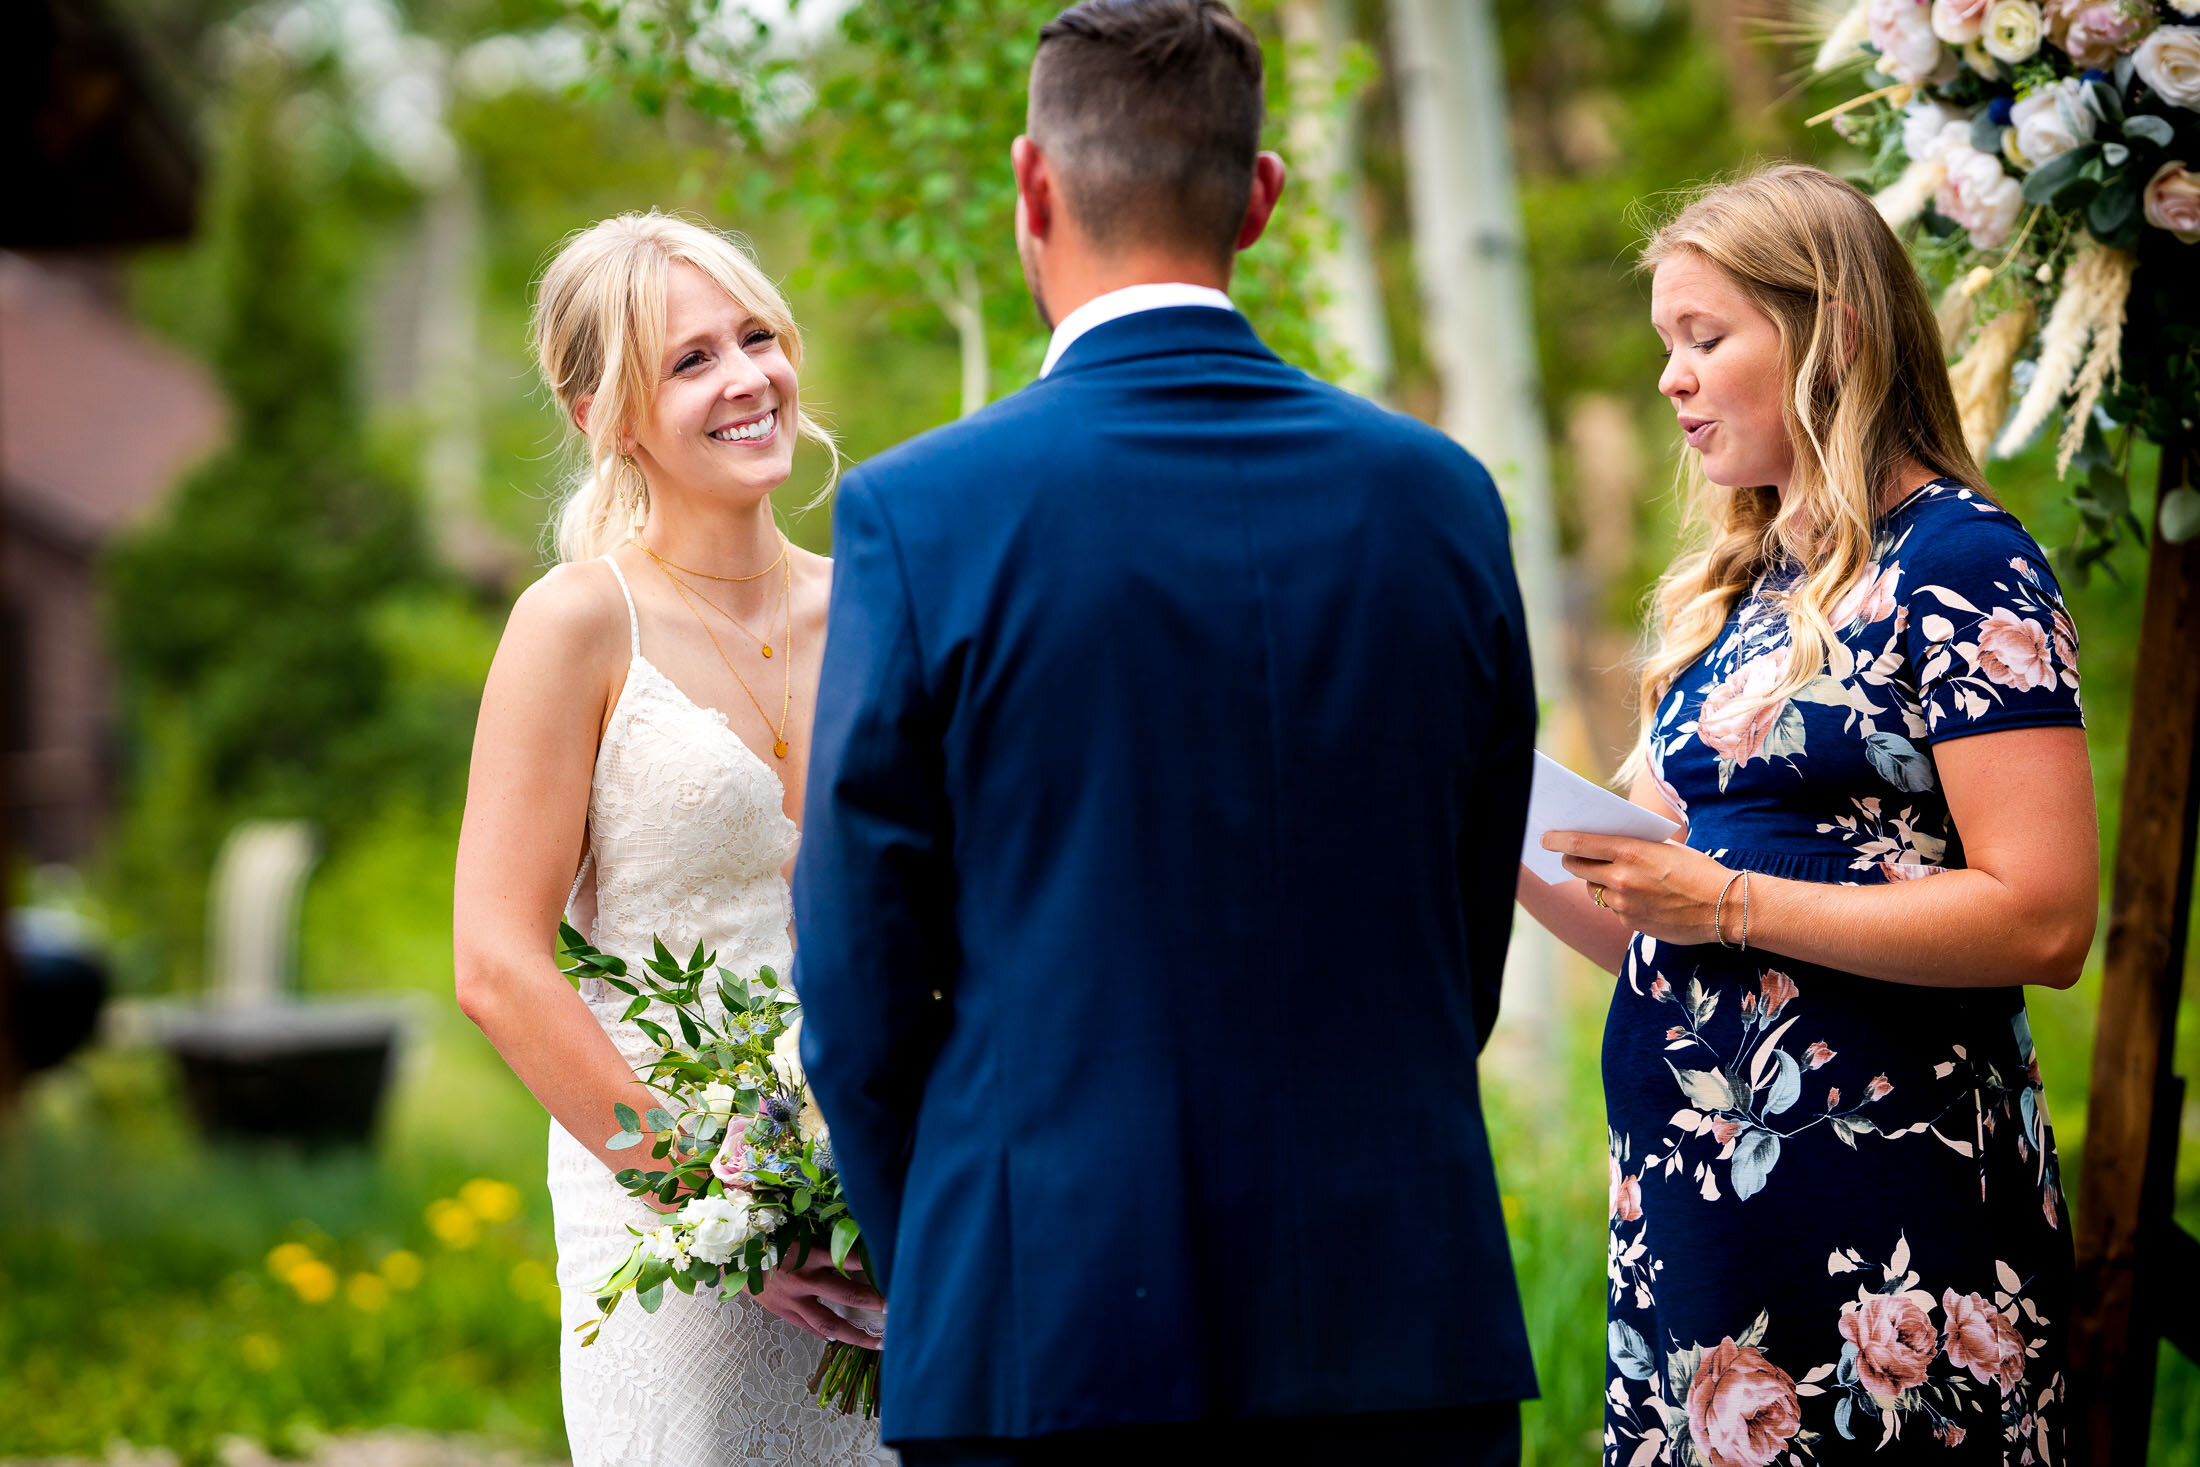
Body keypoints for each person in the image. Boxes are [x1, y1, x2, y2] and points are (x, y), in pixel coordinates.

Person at [791, 2, 1538, 1462]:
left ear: (1031, 184)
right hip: (1399, 1320)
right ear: (1261, 197)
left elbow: (861, 967)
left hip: (1051, 1326)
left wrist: (947, 1244)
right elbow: (1465, 915)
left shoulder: (927, 510)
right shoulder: (1441, 495)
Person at [1519, 165, 2096, 1464]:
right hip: (1701, 1233)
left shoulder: (1957, 561)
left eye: (1705, 336)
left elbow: (2048, 914)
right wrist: (1477, 807)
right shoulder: (1737, 599)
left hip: (1890, 1228)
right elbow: (1643, 921)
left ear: (1830, 330)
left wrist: (1726, 898)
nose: (1670, 376)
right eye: (1667, 341)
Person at [451, 211, 891, 1467]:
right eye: (691, 360)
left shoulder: (877, 599)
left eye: (756, 337)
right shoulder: (574, 626)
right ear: (606, 414)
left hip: (888, 1211)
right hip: (666, 1220)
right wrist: (723, 1217)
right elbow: (496, 967)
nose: (747, 378)